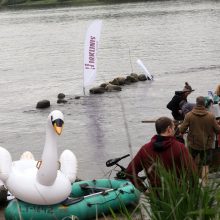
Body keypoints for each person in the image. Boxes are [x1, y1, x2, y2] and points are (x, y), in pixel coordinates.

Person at [125, 116, 196, 190]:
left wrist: (143, 189)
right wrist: (191, 190)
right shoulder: (179, 147)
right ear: (169, 129)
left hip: (156, 195)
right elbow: (193, 172)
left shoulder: (145, 149)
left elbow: (129, 171)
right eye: (173, 127)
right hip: (177, 193)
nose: (174, 130)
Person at [178, 96, 220, 185]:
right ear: (204, 103)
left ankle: (191, 182)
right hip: (207, 144)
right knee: (205, 165)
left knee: (190, 162)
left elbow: (182, 130)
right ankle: (205, 185)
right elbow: (218, 130)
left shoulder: (189, 115)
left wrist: (180, 127)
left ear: (196, 103)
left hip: (193, 144)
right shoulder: (211, 116)